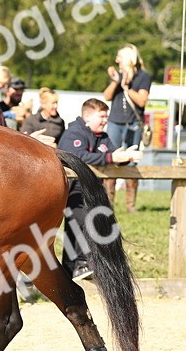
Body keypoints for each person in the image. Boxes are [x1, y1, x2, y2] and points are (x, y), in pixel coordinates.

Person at [58, 98, 142, 280]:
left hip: (93, 190)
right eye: (101, 116)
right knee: (82, 223)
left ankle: (73, 271)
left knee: (98, 224)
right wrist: (111, 158)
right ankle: (81, 264)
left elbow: (113, 154)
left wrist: (126, 157)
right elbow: (78, 156)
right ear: (87, 116)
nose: (105, 121)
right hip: (73, 189)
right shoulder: (74, 133)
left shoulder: (102, 137)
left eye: (106, 116)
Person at [101, 43, 151, 213]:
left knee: (132, 161)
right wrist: (116, 81)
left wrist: (127, 88)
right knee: (112, 158)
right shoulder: (118, 75)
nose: (117, 61)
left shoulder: (143, 77)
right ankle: (109, 204)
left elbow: (142, 101)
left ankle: (130, 206)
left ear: (129, 59)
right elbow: (107, 96)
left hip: (133, 124)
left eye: (120, 58)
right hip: (115, 122)